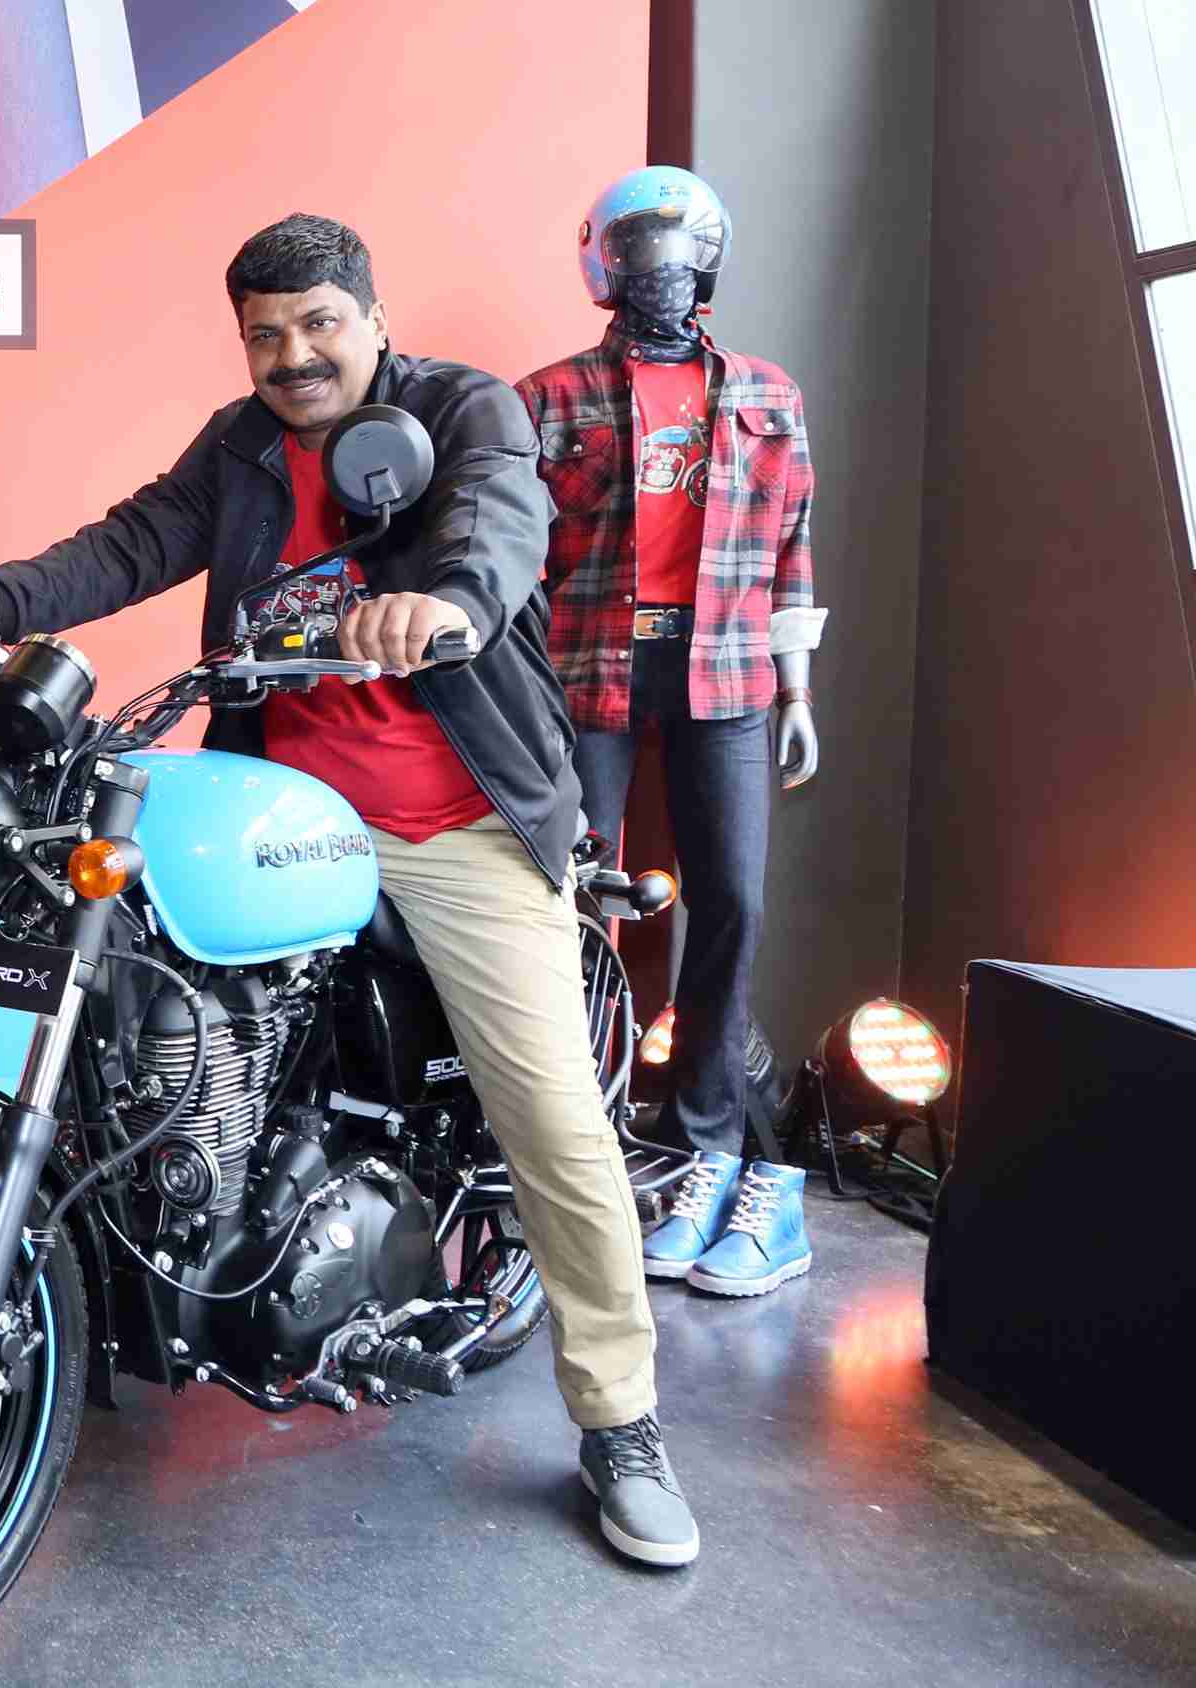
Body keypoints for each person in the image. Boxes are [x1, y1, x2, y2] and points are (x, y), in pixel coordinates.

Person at [0, 213, 698, 1569]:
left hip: (456, 821)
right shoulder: (244, 446)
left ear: (370, 318)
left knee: (551, 1114)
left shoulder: (464, 412)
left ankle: (622, 1419)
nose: (293, 355)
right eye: (265, 334)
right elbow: (131, 542)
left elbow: (497, 528)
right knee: (128, 984)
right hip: (284, 810)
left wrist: (443, 607)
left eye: (318, 324)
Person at [517, 167, 822, 1298]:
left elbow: (792, 544)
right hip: (588, 668)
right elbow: (514, 557)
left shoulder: (768, 393)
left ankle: (707, 1146)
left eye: (681, 259)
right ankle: (578, 1140)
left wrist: (798, 693)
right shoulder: (546, 397)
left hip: (729, 669)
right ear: (605, 269)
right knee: (568, 904)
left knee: (730, 899)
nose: (662, 280)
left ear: (708, 265)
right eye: (640, 259)